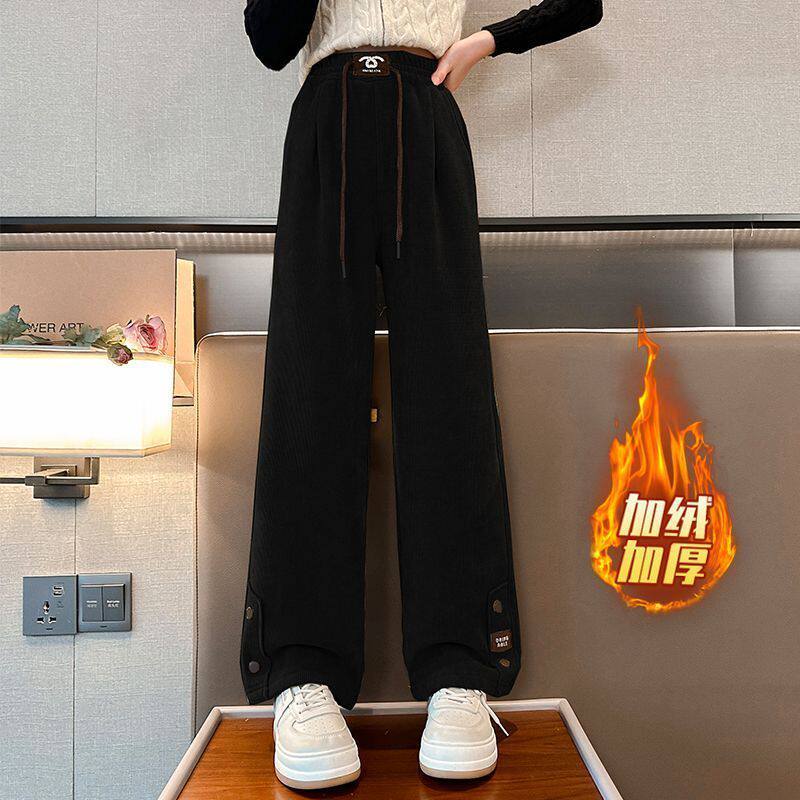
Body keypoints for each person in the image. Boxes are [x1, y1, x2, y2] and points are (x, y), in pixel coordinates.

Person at [240, 0, 603, 789]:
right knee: (309, 395)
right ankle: (302, 672)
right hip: (325, 119)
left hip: (426, 113)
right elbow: (270, 40)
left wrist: (487, 43)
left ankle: (460, 669)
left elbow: (586, 5)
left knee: (450, 395)